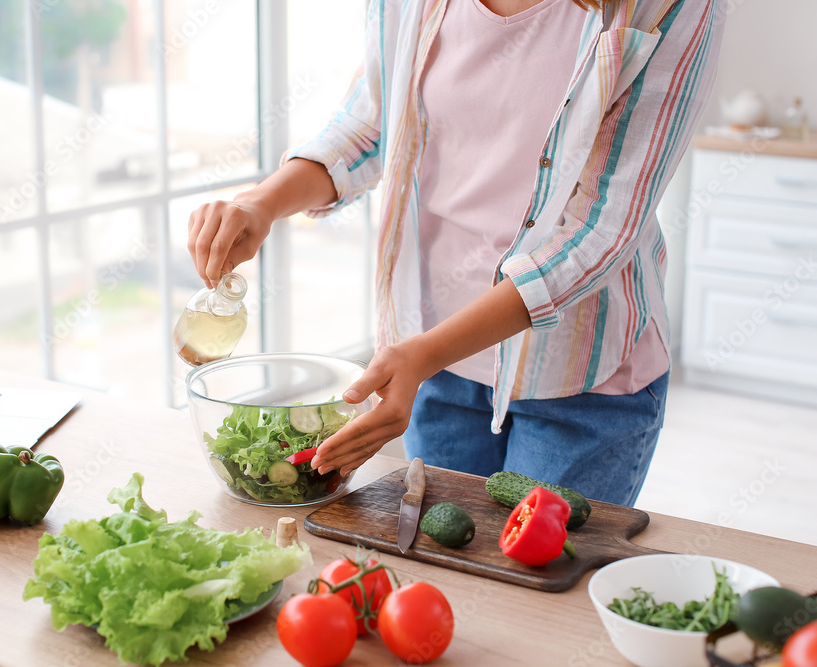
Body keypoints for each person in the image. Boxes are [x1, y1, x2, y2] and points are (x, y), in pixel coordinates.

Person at [186, 0, 725, 506]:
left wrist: (425, 354)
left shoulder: (665, 8)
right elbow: (371, 125)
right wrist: (261, 202)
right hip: (432, 364)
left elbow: (601, 229)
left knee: (536, 598)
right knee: (449, 587)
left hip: (579, 377)